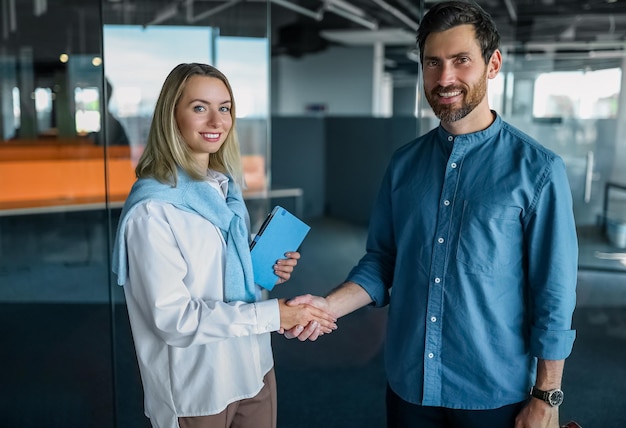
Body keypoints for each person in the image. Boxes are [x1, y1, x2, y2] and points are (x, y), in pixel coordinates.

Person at [285, 2, 578, 427]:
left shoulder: (538, 170)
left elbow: (553, 293)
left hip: (494, 392)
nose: (445, 78)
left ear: (492, 64)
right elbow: (383, 261)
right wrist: (326, 305)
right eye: (433, 63)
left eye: (461, 61)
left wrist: (547, 396)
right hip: (410, 384)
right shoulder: (404, 164)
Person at [111, 63, 337, 428]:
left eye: (225, 107)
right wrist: (274, 315)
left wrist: (261, 271)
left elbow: (222, 276)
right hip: (201, 388)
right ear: (173, 116)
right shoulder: (154, 211)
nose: (217, 121)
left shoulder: (224, 193)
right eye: (200, 107)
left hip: (255, 368)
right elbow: (175, 320)